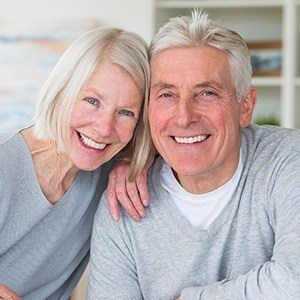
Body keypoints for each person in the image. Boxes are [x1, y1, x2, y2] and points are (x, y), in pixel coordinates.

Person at [87, 9, 300, 299]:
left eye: (207, 93)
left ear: (246, 106)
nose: (184, 117)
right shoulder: (123, 203)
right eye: (166, 95)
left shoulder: (288, 160)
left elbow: (295, 280)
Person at [0, 27, 151, 299]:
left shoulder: (109, 175)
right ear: (62, 92)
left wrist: (136, 159)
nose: (105, 128)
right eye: (92, 101)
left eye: (126, 112)